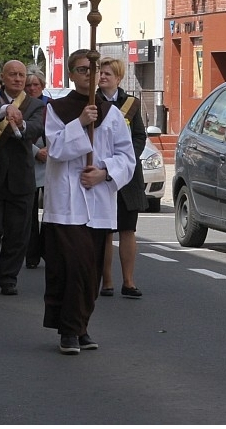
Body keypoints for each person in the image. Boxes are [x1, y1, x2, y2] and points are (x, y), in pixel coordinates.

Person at [42, 49, 135, 355]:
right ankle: (69, 330)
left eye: (92, 70)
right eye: (82, 70)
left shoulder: (112, 114)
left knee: (91, 270)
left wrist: (105, 173)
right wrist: (80, 122)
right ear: (72, 74)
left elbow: (127, 156)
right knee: (73, 266)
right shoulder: (57, 109)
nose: (88, 75)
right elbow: (55, 149)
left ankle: (80, 326)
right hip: (67, 203)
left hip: (98, 201)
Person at [0, 60, 45, 295]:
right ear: (3, 77)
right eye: (12, 74)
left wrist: (21, 123)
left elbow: (35, 129)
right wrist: (6, 110)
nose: (17, 79)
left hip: (21, 179)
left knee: (17, 233)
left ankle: (8, 278)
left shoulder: (34, 104)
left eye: (21, 75)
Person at [97, 57, 148, 299]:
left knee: (127, 228)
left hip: (127, 174)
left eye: (108, 74)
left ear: (118, 78)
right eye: (101, 73)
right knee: (105, 230)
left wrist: (126, 160)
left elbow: (139, 136)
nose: (103, 77)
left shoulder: (131, 104)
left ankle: (128, 281)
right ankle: (106, 281)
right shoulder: (91, 102)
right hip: (101, 171)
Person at [24, 68, 50, 269]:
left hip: (50, 162)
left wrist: (50, 150)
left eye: (36, 84)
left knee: (51, 211)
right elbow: (16, 133)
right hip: (28, 161)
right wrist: (35, 152)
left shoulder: (52, 107)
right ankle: (31, 253)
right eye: (29, 85)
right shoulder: (20, 106)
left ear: (42, 86)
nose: (32, 88)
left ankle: (48, 250)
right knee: (29, 213)